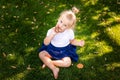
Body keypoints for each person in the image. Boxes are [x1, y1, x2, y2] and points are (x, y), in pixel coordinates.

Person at [38, 7, 85, 79]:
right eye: (61, 21)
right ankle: (54, 68)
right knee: (41, 54)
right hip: (51, 50)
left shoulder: (69, 32)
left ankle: (49, 63)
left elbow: (72, 41)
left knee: (68, 63)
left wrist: (79, 43)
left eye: (65, 25)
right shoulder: (51, 30)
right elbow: (45, 43)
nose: (61, 25)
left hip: (64, 51)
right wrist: (52, 34)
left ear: (69, 27)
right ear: (59, 19)